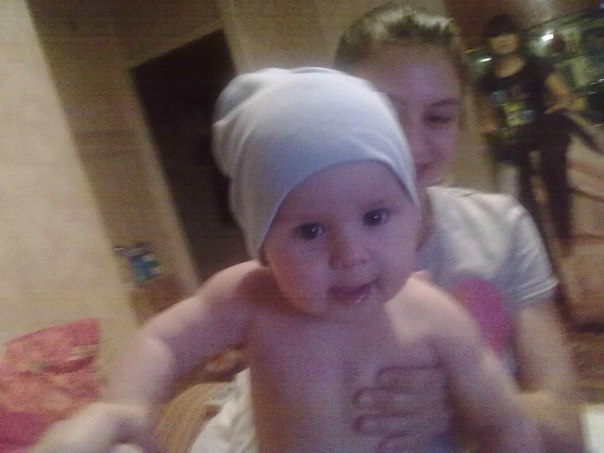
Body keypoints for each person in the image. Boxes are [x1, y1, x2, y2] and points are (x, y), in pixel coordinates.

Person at [32, 68, 540, 453]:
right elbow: (165, 339)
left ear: (411, 209)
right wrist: (126, 405)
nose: (350, 255)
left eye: (375, 216)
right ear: (263, 246)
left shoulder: (435, 316)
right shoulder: (252, 297)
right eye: (310, 230)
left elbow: (503, 422)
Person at [192, 3, 584, 453]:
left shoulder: (501, 227)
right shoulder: (297, 260)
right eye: (383, 114)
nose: (411, 144)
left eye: (438, 117)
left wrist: (462, 404)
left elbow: (566, 430)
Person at [476, 13, 578, 245]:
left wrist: (558, 108)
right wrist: (490, 135)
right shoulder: (486, 81)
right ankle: (534, 242)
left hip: (543, 133)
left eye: (507, 33)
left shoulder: (535, 65)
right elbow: (488, 118)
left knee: (554, 173)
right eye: (496, 35)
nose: (503, 39)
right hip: (512, 141)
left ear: (517, 37)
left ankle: (564, 233)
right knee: (516, 195)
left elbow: (564, 95)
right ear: (489, 42)